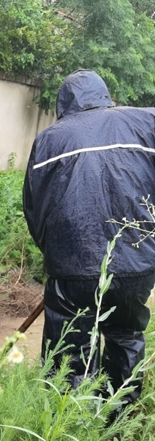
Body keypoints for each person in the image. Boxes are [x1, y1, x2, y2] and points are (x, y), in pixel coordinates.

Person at [23, 69, 155, 409]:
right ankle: (117, 418)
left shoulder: (49, 139)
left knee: (68, 350)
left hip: (71, 266)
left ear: (64, 104)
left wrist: (57, 257)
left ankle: (68, 420)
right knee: (126, 336)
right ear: (104, 96)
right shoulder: (145, 123)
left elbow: (35, 210)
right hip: (136, 265)